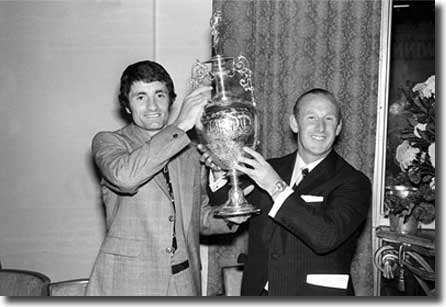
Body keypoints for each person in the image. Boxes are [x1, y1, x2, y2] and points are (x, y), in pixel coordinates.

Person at [86, 60, 246, 296]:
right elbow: (126, 177)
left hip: (184, 281)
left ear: (170, 100)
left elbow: (199, 218)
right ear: (127, 106)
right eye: (141, 97)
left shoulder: (189, 151)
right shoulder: (109, 142)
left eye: (159, 95)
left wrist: (233, 215)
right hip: (130, 282)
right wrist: (181, 125)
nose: (152, 106)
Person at [201, 88, 371, 296]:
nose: (320, 127)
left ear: (338, 128)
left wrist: (275, 186)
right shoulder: (271, 168)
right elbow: (230, 206)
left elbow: (325, 237)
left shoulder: (353, 182)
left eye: (329, 119)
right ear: (294, 123)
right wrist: (219, 170)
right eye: (311, 117)